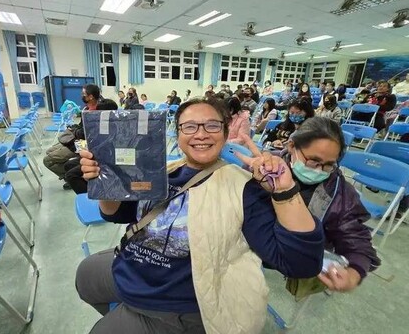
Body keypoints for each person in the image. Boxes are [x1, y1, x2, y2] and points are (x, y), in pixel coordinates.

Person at [76, 97, 324, 333]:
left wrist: (284, 190)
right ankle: (128, 311)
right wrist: (103, 182)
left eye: (212, 125)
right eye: (190, 126)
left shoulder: (244, 189)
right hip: (134, 267)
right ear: (178, 134)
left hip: (176, 304)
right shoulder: (164, 170)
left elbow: (300, 263)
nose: (201, 134)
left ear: (226, 133)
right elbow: (116, 213)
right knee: (85, 277)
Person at [265, 118, 380, 292]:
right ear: (292, 146)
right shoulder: (267, 165)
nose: (319, 170)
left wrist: (353, 274)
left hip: (292, 256)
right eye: (313, 161)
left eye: (328, 165)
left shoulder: (340, 194)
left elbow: (357, 242)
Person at [43, 84, 101, 185]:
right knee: (49, 151)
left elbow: (85, 133)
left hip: (85, 144)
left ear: (91, 96)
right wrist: (75, 130)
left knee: (48, 160)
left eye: (83, 94)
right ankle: (70, 176)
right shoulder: (87, 109)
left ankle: (69, 178)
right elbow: (81, 127)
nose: (82, 96)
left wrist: (76, 132)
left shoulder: (97, 111)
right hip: (78, 139)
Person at [64, 99, 119, 193]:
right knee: (68, 165)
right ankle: (84, 185)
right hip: (94, 152)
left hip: (104, 160)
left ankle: (90, 196)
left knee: (71, 175)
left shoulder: (113, 127)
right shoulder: (94, 121)